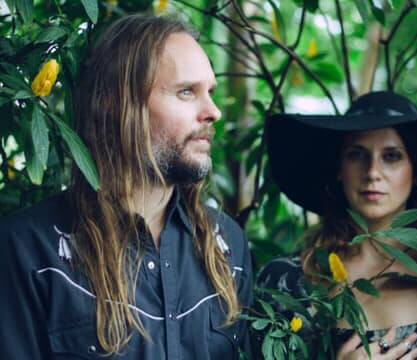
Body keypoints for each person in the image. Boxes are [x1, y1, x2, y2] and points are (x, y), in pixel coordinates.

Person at [0, 15, 252, 359]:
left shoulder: (228, 246)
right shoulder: (29, 250)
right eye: (185, 92)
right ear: (117, 104)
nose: (213, 111)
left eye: (209, 92)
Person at [257, 91, 417, 359]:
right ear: (339, 168)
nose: (372, 172)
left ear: (415, 171)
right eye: (357, 155)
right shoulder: (286, 282)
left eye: (392, 156)